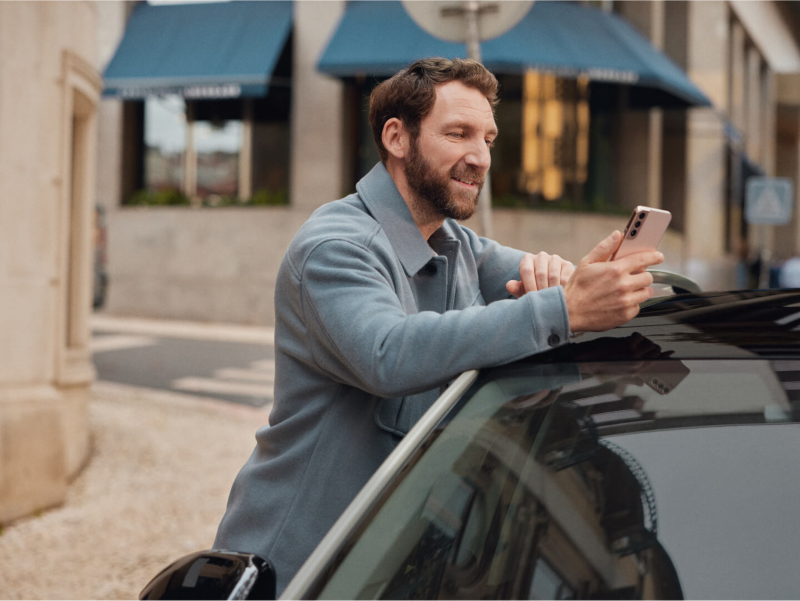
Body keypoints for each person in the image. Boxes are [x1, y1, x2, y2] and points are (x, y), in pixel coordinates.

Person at [213, 58, 663, 593]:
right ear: (398, 138)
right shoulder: (334, 248)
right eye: (458, 134)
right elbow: (388, 353)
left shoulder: (456, 244)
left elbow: (550, 299)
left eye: (489, 138)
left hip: (388, 566)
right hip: (297, 566)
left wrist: (576, 283)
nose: (480, 157)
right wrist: (564, 309)